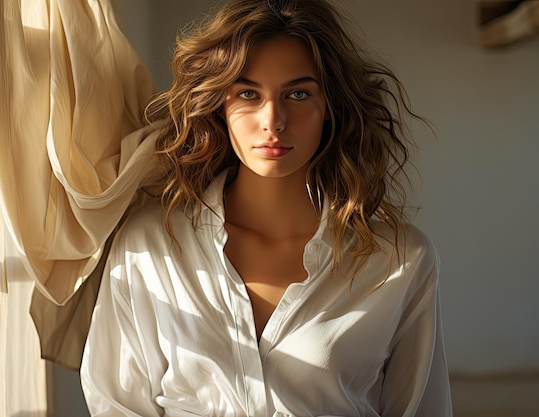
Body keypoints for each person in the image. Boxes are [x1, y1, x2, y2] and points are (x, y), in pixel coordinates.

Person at [80, 0, 453, 416]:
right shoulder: (150, 245)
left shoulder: (400, 261)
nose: (273, 120)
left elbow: (422, 409)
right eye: (247, 93)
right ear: (219, 105)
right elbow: (116, 404)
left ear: (329, 107)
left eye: (298, 93)